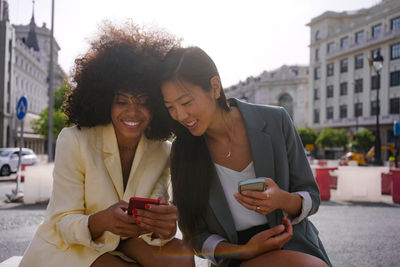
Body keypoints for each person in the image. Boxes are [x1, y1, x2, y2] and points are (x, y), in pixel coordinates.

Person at [19, 24, 194, 267]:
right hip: (71, 245)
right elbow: (62, 221)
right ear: (104, 101)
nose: (132, 111)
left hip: (129, 241)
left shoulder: (162, 150)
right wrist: (99, 222)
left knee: (182, 255)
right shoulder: (75, 140)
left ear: (157, 106)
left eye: (143, 103)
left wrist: (163, 228)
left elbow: (153, 222)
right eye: (121, 101)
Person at [159, 46, 332, 267]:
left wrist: (282, 199)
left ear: (214, 87)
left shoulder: (276, 121)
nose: (180, 116)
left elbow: (311, 197)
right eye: (170, 107)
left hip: (293, 244)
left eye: (185, 103)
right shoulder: (182, 150)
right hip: (234, 257)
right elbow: (194, 235)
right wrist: (245, 251)